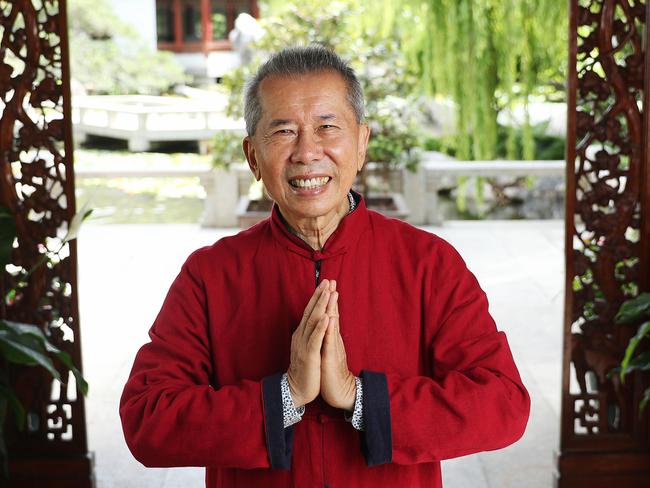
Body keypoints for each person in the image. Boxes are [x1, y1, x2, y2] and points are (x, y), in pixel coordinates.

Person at [120, 45, 530, 487]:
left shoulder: (428, 263)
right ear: (252, 157)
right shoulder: (210, 274)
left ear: (361, 143)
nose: (307, 152)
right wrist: (285, 395)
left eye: (327, 127)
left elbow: (502, 404)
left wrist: (360, 397)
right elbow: (146, 419)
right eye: (282, 132)